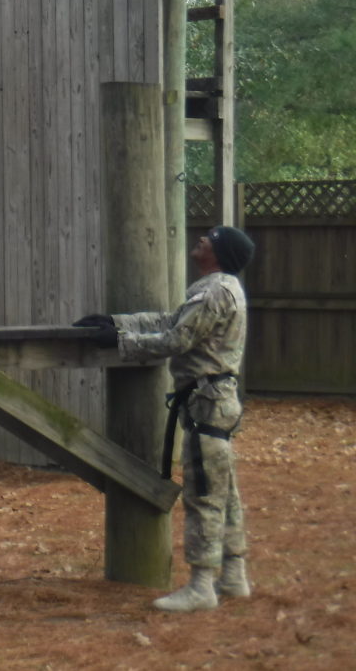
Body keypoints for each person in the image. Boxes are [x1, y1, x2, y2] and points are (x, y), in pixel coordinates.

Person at [75, 225, 256, 613]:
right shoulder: (220, 288)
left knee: (204, 494)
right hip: (215, 404)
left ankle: (202, 585)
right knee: (224, 491)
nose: (203, 239)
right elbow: (171, 320)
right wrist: (117, 322)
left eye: (212, 238)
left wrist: (120, 342)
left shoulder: (213, 292)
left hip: (208, 406)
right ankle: (233, 575)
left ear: (220, 253)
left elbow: (175, 340)